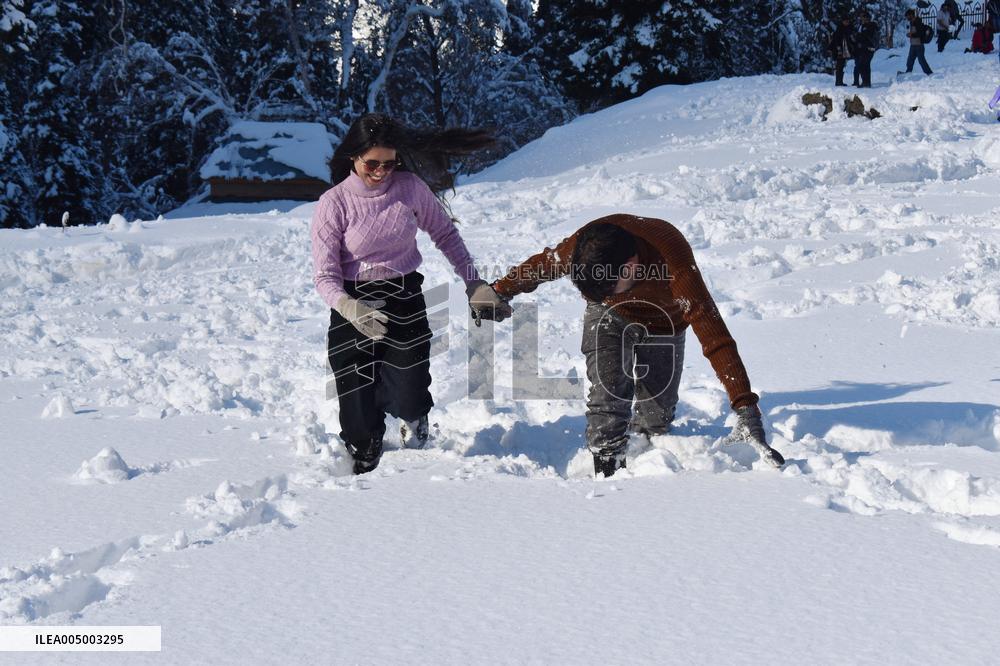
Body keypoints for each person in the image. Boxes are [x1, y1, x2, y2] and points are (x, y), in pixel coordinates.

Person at [482, 214, 786, 478]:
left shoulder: (673, 261)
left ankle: (645, 464)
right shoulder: (584, 247)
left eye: (605, 288)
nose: (600, 293)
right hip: (609, 317)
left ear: (630, 268)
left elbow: (714, 334)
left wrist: (746, 408)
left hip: (665, 323)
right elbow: (544, 264)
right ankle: (607, 475)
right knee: (608, 395)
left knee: (656, 419)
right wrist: (498, 291)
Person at [310, 113, 510, 474]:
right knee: (355, 398)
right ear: (354, 157)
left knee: (410, 389)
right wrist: (350, 308)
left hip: (403, 294)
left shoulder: (410, 187)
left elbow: (446, 236)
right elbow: (325, 276)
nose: (381, 171)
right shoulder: (333, 203)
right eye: (372, 163)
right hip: (352, 300)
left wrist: (474, 283)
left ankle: (412, 419)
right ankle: (364, 450)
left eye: (390, 163)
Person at [903, 10, 933, 75]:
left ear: (911, 15)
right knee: (910, 60)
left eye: (908, 16)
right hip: (913, 44)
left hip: (919, 45)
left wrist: (911, 35)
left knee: (921, 60)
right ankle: (908, 72)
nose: (907, 18)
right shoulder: (912, 22)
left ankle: (929, 73)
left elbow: (920, 33)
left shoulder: (918, 22)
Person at [854, 11, 879, 87]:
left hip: (868, 48)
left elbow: (866, 36)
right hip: (863, 48)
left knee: (864, 65)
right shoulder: (862, 26)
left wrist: (860, 36)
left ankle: (866, 82)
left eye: (863, 17)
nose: (862, 19)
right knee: (865, 65)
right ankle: (866, 82)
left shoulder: (871, 26)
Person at [829, 16, 854, 86]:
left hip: (843, 50)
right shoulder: (840, 29)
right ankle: (838, 82)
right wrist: (839, 49)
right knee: (839, 66)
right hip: (839, 51)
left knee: (841, 66)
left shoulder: (846, 29)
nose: (847, 23)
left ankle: (840, 81)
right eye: (846, 21)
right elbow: (837, 40)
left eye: (848, 21)